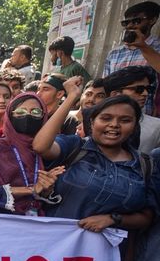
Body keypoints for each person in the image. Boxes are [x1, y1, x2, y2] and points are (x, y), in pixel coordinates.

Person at [32, 78, 154, 230]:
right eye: (106, 118)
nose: (114, 125)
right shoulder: (75, 147)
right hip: (55, 245)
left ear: (135, 126)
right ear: (92, 122)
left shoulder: (145, 165)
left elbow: (146, 217)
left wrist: (113, 219)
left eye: (125, 120)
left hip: (106, 252)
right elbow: (40, 146)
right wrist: (71, 98)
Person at [0, 92, 65, 216]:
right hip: (2, 221)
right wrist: (30, 189)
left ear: (44, 116)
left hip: (36, 223)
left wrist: (46, 191)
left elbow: (48, 196)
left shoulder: (50, 151)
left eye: (36, 112)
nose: (28, 116)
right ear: (9, 116)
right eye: (20, 112)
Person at [103, 1, 160, 114]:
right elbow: (106, 86)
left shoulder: (157, 48)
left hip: (147, 116)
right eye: (126, 23)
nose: (130, 26)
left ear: (152, 20)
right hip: (115, 113)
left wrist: (143, 46)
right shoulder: (114, 53)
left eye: (136, 21)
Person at [103, 65, 160, 154]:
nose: (145, 94)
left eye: (149, 89)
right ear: (115, 94)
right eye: (139, 89)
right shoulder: (95, 121)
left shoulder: (157, 126)